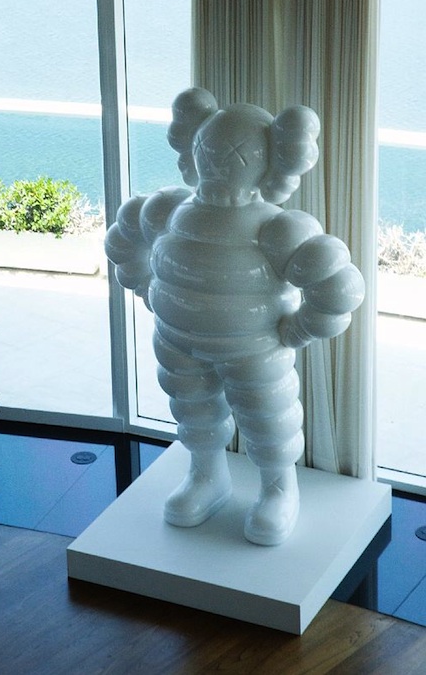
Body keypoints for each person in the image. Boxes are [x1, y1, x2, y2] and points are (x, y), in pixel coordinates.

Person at [105, 87, 364, 545]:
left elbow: (337, 285)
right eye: (212, 147)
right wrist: (146, 287)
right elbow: (123, 239)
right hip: (176, 339)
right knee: (192, 411)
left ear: (272, 160)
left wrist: (298, 329)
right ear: (195, 145)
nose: (222, 159)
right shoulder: (167, 208)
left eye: (239, 152)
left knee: (269, 418)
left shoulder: (277, 227)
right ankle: (206, 475)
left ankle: (279, 489)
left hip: (255, 345)